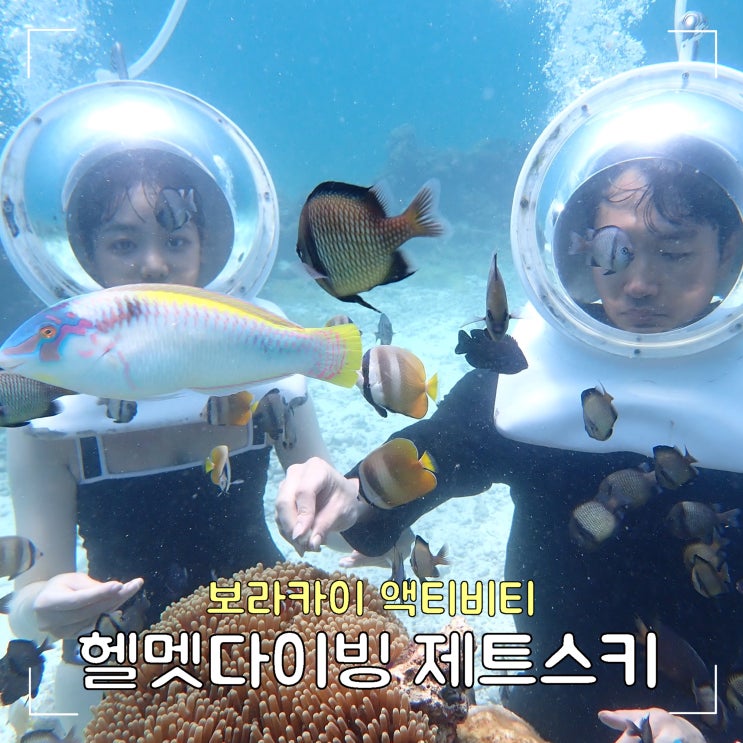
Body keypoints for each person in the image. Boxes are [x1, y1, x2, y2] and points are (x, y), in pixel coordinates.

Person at [276, 64, 743, 743]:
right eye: (615, 250)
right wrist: (348, 495)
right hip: (545, 712)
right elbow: (423, 463)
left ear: (729, 251)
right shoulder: (527, 369)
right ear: (577, 244)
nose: (641, 282)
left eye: (674, 253)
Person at [0, 81, 331, 724]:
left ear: (208, 248)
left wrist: (340, 495)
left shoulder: (261, 356)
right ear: (86, 253)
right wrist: (46, 606)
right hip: (116, 659)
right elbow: (31, 595)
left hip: (263, 635)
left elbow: (342, 524)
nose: (153, 264)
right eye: (123, 243)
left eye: (176, 241)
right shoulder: (46, 402)